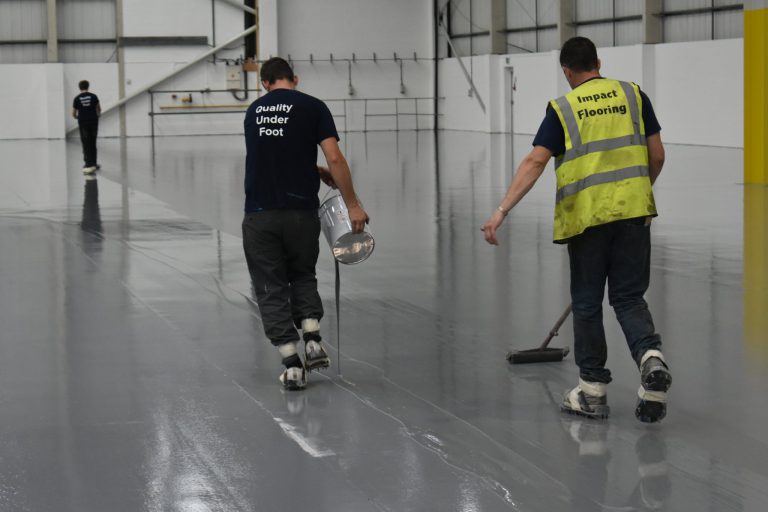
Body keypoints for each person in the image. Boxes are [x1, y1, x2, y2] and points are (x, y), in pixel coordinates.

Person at [482, 37, 671, 423]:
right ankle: (651, 361)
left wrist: (501, 210)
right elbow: (657, 155)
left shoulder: (563, 108)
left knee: (587, 303)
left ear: (566, 71)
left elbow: (535, 162)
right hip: (634, 214)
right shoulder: (634, 95)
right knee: (629, 298)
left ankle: (592, 391)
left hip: (588, 220)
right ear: (598, 62)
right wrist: (636, 193)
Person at [242, 57, 369, 390]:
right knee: (302, 273)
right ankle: (312, 335)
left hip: (260, 213)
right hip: (301, 212)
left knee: (269, 285)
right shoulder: (313, 107)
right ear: (294, 79)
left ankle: (292, 364)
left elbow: (269, 156)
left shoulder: (254, 111)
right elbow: (335, 157)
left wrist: (312, 169)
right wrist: (352, 204)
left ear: (264, 83)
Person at [72, 80, 101, 174]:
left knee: (86, 143)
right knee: (93, 143)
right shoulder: (94, 96)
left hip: (83, 124)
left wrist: (77, 117)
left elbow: (73, 113)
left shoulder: (76, 98)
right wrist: (96, 116)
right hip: (93, 123)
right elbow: (99, 109)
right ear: (88, 86)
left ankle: (88, 164)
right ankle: (94, 164)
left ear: (79, 87)